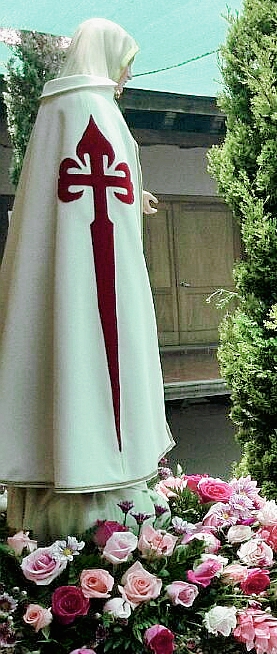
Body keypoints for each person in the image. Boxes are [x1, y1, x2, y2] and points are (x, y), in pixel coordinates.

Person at [0, 19, 175, 535]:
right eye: (126, 64)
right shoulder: (91, 108)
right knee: (89, 353)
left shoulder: (58, 111)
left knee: (76, 352)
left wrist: (130, 199)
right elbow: (76, 185)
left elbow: (82, 185)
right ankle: (91, 477)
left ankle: (93, 472)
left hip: (95, 259)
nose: (126, 76)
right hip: (98, 271)